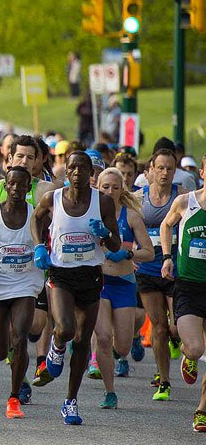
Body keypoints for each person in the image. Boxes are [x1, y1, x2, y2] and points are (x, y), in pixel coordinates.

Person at [32, 150, 121, 425]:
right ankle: (56, 347)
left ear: (91, 173)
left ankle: (70, 401)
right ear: (66, 172)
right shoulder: (53, 198)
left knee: (83, 341)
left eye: (84, 168)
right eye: (73, 168)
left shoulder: (103, 202)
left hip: (90, 275)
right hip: (60, 273)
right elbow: (35, 218)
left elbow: (116, 244)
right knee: (66, 328)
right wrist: (38, 245)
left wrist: (105, 235)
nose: (79, 173)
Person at [0, 167, 44, 419]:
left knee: (19, 339)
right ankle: (9, 354)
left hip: (26, 284)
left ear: (29, 188)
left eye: (22, 185)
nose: (16, 189)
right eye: (12, 185)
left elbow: (51, 236)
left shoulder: (36, 216)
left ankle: (14, 397)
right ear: (5, 186)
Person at [90, 167, 153, 409]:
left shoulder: (131, 216)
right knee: (104, 338)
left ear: (122, 190)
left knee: (122, 346)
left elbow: (148, 252)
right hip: (101, 283)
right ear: (98, 187)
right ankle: (109, 391)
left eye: (116, 187)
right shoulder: (90, 214)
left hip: (124, 283)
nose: (110, 191)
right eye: (106, 187)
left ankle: (121, 353)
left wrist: (127, 253)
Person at [136, 149, 188, 401]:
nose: (165, 172)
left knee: (175, 327)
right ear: (151, 170)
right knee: (157, 327)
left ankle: (177, 341)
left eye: (170, 168)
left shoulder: (182, 197)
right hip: (147, 269)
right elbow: (125, 225)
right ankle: (164, 380)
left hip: (175, 269)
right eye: (161, 168)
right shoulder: (138, 198)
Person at [158, 157, 206, 432]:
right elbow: (166, 225)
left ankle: (202, 410)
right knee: (197, 348)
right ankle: (188, 356)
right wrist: (167, 257)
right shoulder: (187, 202)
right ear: (202, 173)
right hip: (188, 285)